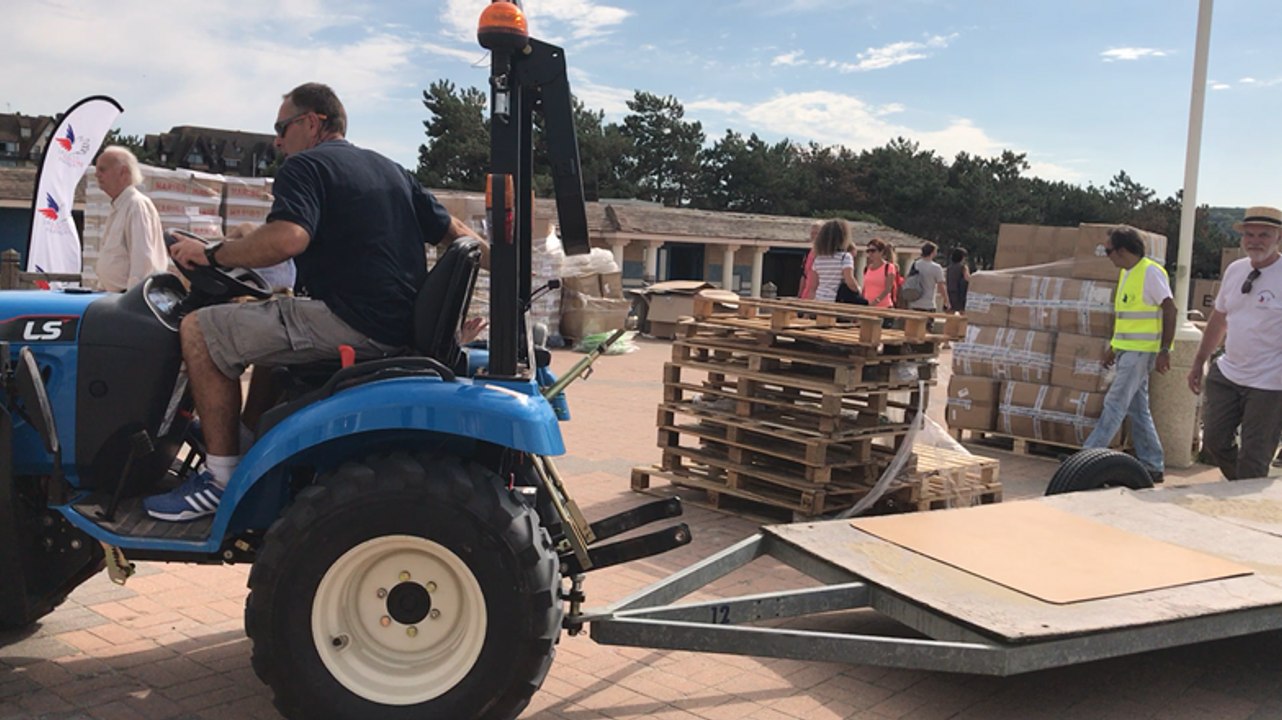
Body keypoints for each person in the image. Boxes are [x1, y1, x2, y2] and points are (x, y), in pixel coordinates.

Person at [144, 82, 488, 522]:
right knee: (269, 332)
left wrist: (209, 254)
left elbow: (288, 238)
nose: (277, 141)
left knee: (200, 331)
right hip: (396, 326)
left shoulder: (306, 166)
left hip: (354, 323)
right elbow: (457, 232)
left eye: (281, 128)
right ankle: (243, 444)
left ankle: (219, 478)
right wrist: (513, 270)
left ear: (312, 123)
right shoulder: (391, 170)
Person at [1188, 206, 1282, 481]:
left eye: (1264, 235)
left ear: (1278, 237)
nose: (1255, 241)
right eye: (1249, 234)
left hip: (1270, 382)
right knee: (1214, 442)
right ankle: (1242, 486)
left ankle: (1245, 496)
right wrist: (1199, 361)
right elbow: (1219, 319)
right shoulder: (1235, 270)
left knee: (1254, 457)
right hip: (1228, 373)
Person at [1081, 226, 1175, 483]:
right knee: (1137, 410)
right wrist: (1114, 347)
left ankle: (1087, 458)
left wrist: (1165, 350)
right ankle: (1153, 463)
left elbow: (1170, 308)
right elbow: (1126, 320)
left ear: (1122, 251)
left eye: (1109, 250)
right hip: (1128, 351)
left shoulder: (1150, 273)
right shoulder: (1128, 273)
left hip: (1141, 353)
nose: (1107, 255)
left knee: (1115, 403)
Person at [93, 146, 168, 292]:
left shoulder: (136, 206)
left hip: (127, 300)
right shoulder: (120, 206)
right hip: (115, 298)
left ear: (123, 172)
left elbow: (143, 261)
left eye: (102, 170)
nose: (96, 175)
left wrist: (131, 303)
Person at [810, 219, 860, 302]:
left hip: (820, 298)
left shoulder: (819, 258)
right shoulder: (845, 257)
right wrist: (858, 289)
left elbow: (813, 286)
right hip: (835, 300)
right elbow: (850, 282)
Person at [907, 242, 949, 312]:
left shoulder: (915, 264)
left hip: (914, 302)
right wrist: (946, 300)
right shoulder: (936, 268)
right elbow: (941, 286)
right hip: (928, 303)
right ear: (933, 252)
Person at [862, 237, 899, 308]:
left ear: (881, 252)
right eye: (868, 251)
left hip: (884, 306)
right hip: (868, 306)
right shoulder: (867, 268)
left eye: (873, 251)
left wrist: (875, 302)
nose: (870, 253)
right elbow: (865, 288)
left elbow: (888, 289)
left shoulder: (889, 267)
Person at [799, 220, 822, 299]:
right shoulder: (808, 252)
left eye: (817, 233)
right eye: (812, 233)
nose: (814, 236)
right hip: (806, 294)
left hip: (818, 295)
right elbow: (804, 274)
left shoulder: (825, 254)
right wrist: (799, 295)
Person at [946, 247, 972, 313]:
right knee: (962, 314)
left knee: (950, 313)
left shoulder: (949, 267)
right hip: (960, 292)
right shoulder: (963, 267)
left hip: (950, 292)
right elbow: (967, 278)